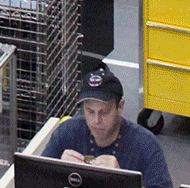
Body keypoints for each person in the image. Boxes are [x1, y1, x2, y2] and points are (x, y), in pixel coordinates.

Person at [40, 66, 174, 188]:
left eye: (104, 112)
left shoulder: (146, 145)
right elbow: (35, 177)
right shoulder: (67, 132)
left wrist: (123, 181)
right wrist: (58, 173)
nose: (96, 120)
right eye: (90, 111)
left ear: (120, 107)